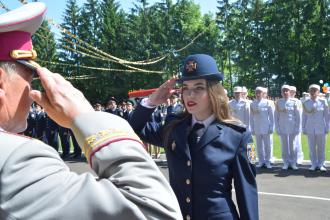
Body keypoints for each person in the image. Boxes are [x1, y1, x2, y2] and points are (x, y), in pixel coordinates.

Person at [0, 3, 182, 219]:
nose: (32, 90)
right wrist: (85, 116)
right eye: (29, 80)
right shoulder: (17, 161)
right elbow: (156, 211)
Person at [130, 54, 258, 220]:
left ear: (214, 91)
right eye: (185, 88)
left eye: (198, 88)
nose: (190, 95)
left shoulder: (237, 135)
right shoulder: (174, 126)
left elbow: (246, 193)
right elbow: (134, 128)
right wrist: (152, 102)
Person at [302, 84, 329, 171]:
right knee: (311, 147)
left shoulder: (323, 102)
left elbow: (326, 116)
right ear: (309, 92)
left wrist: (327, 127)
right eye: (311, 90)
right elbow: (304, 117)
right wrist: (303, 128)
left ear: (318, 92)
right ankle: (313, 164)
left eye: (315, 90)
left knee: (321, 147)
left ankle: (321, 164)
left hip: (321, 128)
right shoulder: (306, 103)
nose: (313, 92)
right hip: (310, 128)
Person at [275, 85, 300, 170]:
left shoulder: (294, 102)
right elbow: (276, 116)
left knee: (292, 146)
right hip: (282, 127)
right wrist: (277, 128)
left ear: (290, 92)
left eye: (287, 91)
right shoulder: (278, 102)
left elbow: (298, 116)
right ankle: (285, 162)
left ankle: (293, 163)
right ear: (281, 92)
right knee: (284, 146)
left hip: (292, 127)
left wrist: (297, 128)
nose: (285, 92)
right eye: (284, 91)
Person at [250, 87, 274, 169]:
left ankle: (267, 161)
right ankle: (261, 161)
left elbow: (271, 117)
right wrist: (252, 128)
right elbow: (251, 118)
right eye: (256, 92)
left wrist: (271, 127)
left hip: (266, 127)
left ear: (263, 93)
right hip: (257, 128)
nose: (258, 94)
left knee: (267, 146)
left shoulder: (267, 103)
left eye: (259, 92)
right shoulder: (252, 104)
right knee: (259, 146)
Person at [289, 85, 304, 164]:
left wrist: (299, 126)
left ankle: (299, 157)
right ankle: (290, 158)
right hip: (288, 126)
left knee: (298, 142)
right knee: (289, 143)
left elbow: (300, 115)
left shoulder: (297, 101)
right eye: (290, 92)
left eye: (293, 92)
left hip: (296, 125)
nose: (292, 93)